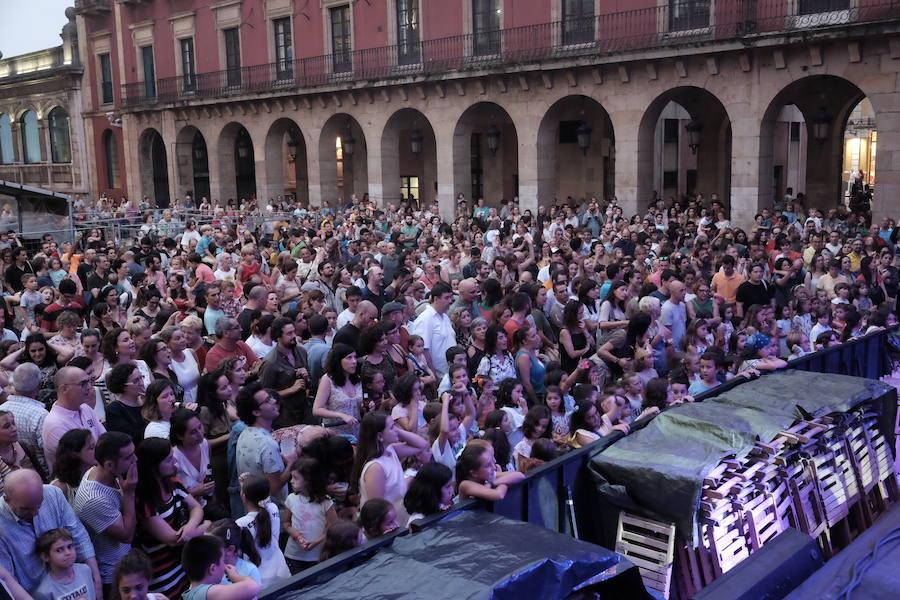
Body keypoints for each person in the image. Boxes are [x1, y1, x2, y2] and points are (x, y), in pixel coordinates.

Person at [0, 469, 102, 594]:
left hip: (74, 586)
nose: (36, 512)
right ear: (6, 499)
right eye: (26, 509)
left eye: (39, 504)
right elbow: (8, 579)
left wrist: (96, 581)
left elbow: (79, 538)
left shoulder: (53, 494)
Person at [134, 437, 207, 598]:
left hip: (183, 564)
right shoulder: (144, 499)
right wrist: (205, 527)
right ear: (153, 465)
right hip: (162, 574)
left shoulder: (173, 482)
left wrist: (190, 527)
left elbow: (196, 507)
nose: (174, 461)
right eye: (168, 459)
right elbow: (173, 539)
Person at [72, 431, 138, 593]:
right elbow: (126, 535)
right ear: (109, 465)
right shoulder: (93, 499)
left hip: (127, 563)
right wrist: (129, 493)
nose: (135, 460)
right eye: (129, 457)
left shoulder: (107, 473)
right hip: (114, 576)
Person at [351, 412, 428, 526]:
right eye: (392, 427)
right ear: (380, 436)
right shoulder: (375, 468)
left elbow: (422, 445)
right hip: (388, 527)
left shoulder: (391, 450)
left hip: (400, 522)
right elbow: (377, 510)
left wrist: (396, 431)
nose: (396, 429)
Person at [234, 382, 293, 498]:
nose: (274, 401)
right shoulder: (267, 443)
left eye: (270, 397)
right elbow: (274, 488)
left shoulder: (244, 434)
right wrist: (292, 464)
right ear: (256, 412)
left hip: (253, 505)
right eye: (267, 401)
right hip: (272, 507)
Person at [43, 366, 106, 473]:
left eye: (89, 382)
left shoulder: (85, 408)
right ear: (64, 389)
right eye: (83, 383)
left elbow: (104, 439)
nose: (89, 387)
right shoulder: (55, 424)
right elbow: (80, 463)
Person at [282, 457, 338, 573]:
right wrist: (295, 534)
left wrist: (317, 541)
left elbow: (333, 526)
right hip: (294, 555)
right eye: (292, 477)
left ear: (309, 480)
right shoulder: (291, 499)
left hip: (317, 556)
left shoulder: (325, 502)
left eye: (295, 478)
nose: (291, 481)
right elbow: (286, 523)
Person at [236, 474, 290, 586]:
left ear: (244, 497)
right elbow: (261, 499)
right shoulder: (273, 508)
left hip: (259, 580)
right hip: (282, 573)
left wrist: (246, 486)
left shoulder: (240, 523)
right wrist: (248, 485)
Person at [259, 317, 310, 427]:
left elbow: (309, 382)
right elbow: (264, 394)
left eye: (294, 332)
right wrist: (290, 390)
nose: (294, 336)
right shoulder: (270, 362)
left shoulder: (301, 351)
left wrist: (307, 377)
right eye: (289, 333)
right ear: (278, 337)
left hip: (304, 411)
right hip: (284, 417)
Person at [2, 363, 49, 474]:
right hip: (40, 476)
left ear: (13, 384)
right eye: (7, 426)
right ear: (39, 385)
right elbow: (50, 453)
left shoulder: (1, 409)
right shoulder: (41, 415)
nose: (14, 429)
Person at [180, 535, 260, 600]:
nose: (225, 566)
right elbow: (253, 586)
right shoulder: (203, 593)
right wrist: (236, 577)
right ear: (213, 569)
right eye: (223, 561)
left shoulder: (194, 592)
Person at [312, 343, 363, 438]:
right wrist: (341, 415)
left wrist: (367, 407)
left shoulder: (357, 379)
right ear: (338, 361)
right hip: (336, 434)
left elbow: (358, 406)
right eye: (349, 358)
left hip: (357, 432)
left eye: (355, 357)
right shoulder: (328, 380)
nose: (354, 361)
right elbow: (316, 410)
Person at [33, 528, 97, 600]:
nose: (68, 553)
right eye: (59, 550)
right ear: (45, 557)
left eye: (69, 547)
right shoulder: (44, 592)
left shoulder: (85, 570)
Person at [409, 282, 456, 378]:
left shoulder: (445, 317)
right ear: (436, 298)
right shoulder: (425, 319)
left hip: (451, 373)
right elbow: (423, 350)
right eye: (446, 298)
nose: (450, 301)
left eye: (450, 297)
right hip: (438, 375)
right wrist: (434, 376)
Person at [49, 428, 96, 504]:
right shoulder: (60, 488)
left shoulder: (97, 473)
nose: (97, 450)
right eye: (91, 448)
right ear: (74, 454)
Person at [403, 462, 454, 526]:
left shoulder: (439, 506)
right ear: (433, 491)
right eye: (448, 486)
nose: (451, 491)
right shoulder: (418, 522)